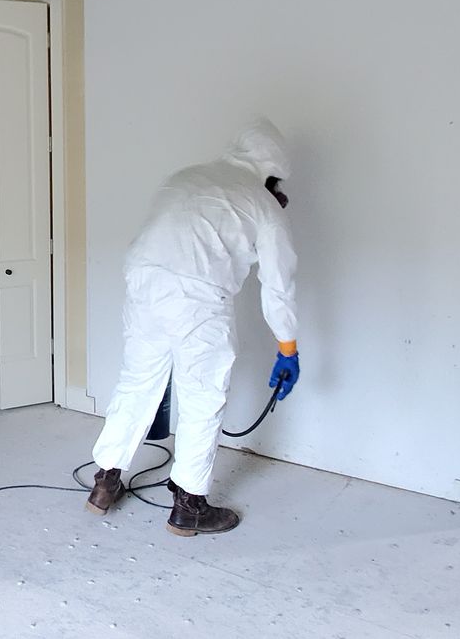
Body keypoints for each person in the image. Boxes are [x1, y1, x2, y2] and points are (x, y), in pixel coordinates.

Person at [84, 118, 301, 536]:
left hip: (144, 283)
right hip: (198, 299)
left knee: (137, 382)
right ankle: (189, 506)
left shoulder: (185, 175)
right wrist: (287, 347)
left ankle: (105, 481)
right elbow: (279, 284)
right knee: (202, 395)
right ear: (272, 171)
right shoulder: (262, 203)